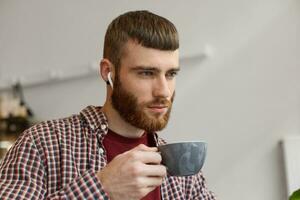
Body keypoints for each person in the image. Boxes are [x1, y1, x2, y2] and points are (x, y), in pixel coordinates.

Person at [0, 10, 216, 200]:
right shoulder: (42, 144)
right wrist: (101, 189)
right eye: (146, 73)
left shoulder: (185, 173)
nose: (164, 91)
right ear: (107, 72)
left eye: (170, 74)